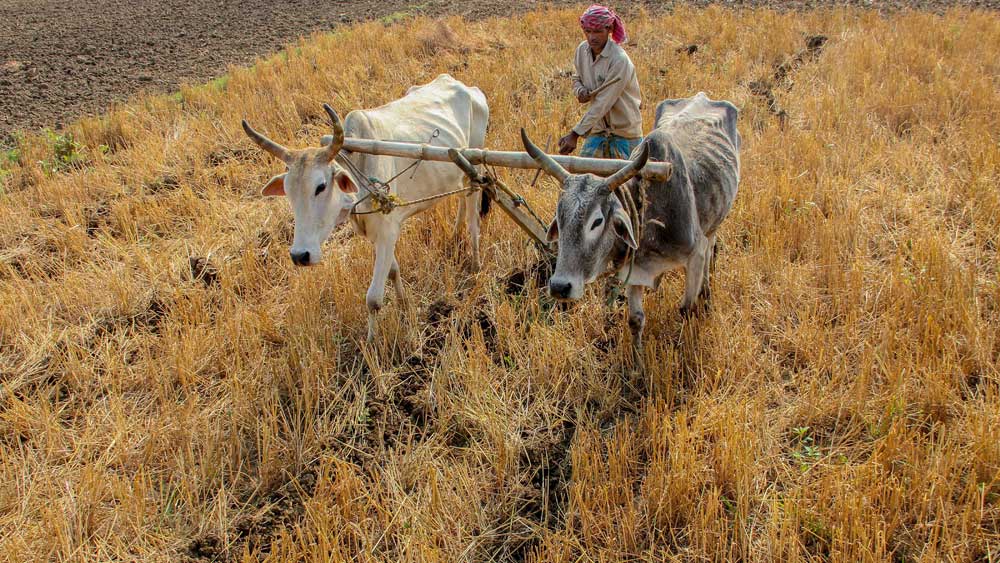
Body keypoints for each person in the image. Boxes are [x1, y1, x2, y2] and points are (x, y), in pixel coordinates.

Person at [559, 4, 643, 159]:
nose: (592, 37)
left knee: (628, 175)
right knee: (583, 173)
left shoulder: (619, 60)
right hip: (597, 131)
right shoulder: (581, 51)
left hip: (625, 134)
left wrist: (575, 134)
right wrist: (580, 91)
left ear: (609, 29)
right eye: (588, 31)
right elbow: (577, 78)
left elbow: (603, 102)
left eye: (598, 31)